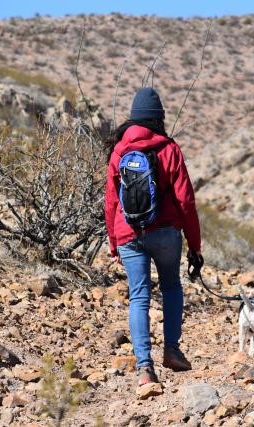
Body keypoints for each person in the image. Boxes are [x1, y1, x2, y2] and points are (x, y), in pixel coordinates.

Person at [105, 87, 202, 386]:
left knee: (138, 297)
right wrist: (194, 245)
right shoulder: (169, 149)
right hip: (166, 233)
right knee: (171, 286)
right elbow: (185, 200)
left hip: (129, 233)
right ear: (158, 119)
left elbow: (110, 202)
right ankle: (171, 350)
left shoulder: (119, 151)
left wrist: (113, 241)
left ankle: (144, 368)